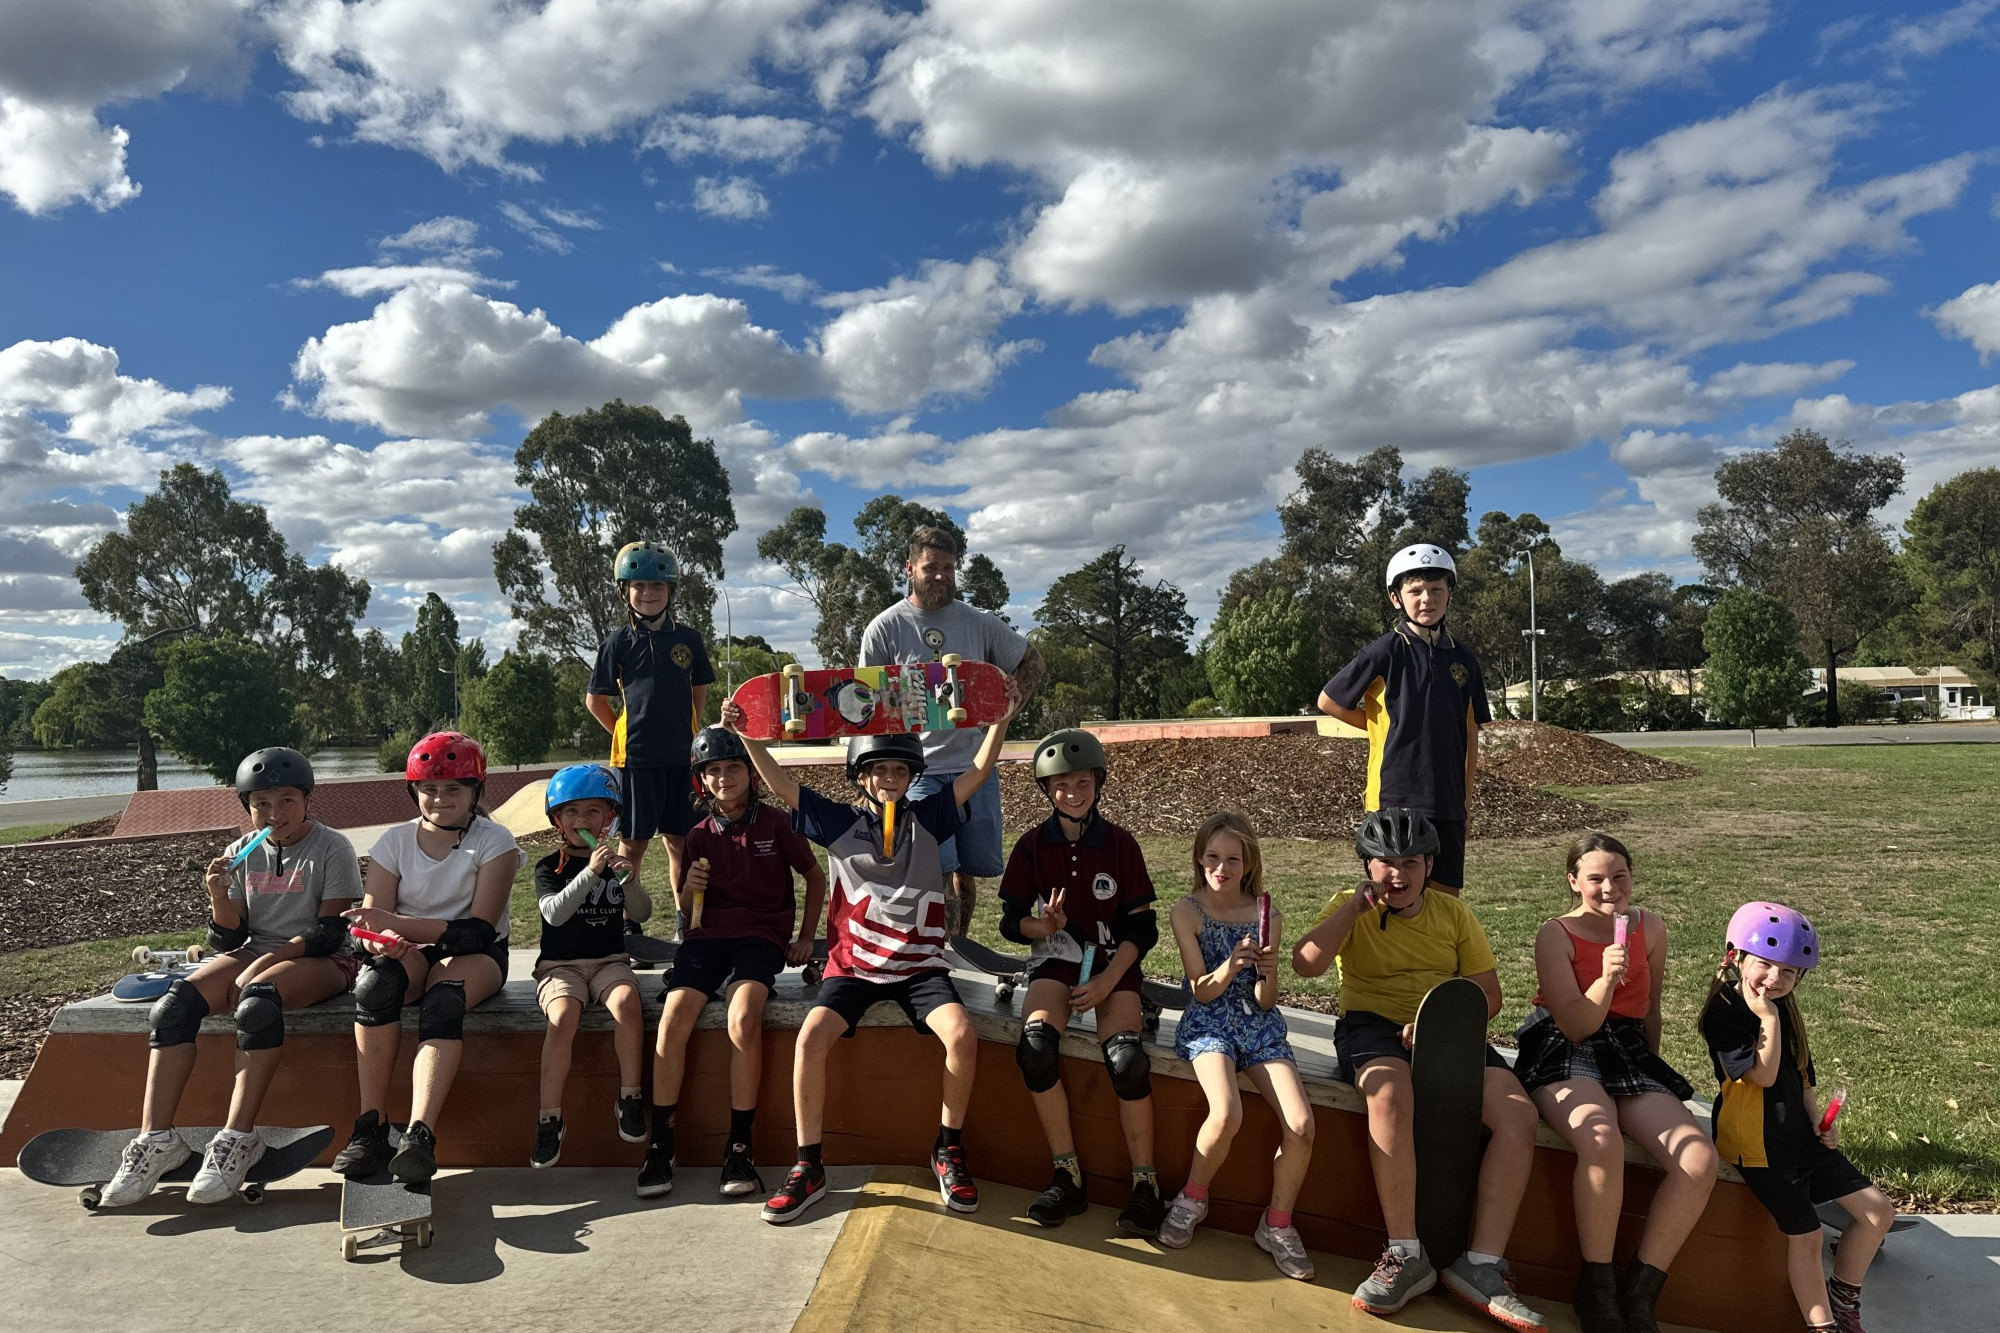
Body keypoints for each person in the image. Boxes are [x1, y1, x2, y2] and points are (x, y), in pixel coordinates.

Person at [717, 693, 1013, 1224]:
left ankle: (948, 1149)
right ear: (861, 776)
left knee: (963, 1036)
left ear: (912, 775)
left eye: (900, 770)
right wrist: (747, 736)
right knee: (809, 1039)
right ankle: (809, 1166)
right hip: (853, 968)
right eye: (878, 770)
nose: (890, 779)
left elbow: (977, 769)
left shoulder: (930, 817)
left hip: (921, 968)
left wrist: (1001, 719)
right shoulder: (836, 822)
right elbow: (782, 784)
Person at [1292, 807, 1544, 1330]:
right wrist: (1349, 914)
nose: (1397, 876)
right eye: (1383, 863)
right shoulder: (1348, 906)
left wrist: (1438, 1022)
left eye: (1409, 862)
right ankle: (1405, 1254)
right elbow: (1305, 964)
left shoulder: (1455, 916)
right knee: (1388, 1094)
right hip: (1370, 1026)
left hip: (1445, 1030)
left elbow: (1490, 996)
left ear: (1430, 865)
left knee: (1518, 1116)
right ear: (1366, 867)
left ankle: (1481, 1264)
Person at [101, 747, 361, 1207]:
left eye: (286, 800)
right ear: (247, 806)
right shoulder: (240, 851)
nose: (274, 813)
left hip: (325, 960)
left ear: (306, 800)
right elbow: (229, 939)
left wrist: (268, 961)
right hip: (256, 951)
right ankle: (157, 1140)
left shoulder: (330, 847)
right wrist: (218, 895)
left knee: (258, 1002)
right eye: (261, 803)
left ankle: (239, 1137)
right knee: (174, 1007)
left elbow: (330, 931)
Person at [1514, 833, 1716, 1333]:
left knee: (1698, 1157)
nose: (1609, 888)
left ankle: (1642, 1290)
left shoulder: (1650, 928)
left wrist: (1651, 1070)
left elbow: (1650, 1011)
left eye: (1619, 876)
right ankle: (1596, 1287)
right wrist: (1604, 978)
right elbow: (1576, 1024)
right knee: (1600, 1140)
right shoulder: (1555, 933)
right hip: (1568, 1042)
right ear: (1574, 882)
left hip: (1627, 1051)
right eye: (1596, 878)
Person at [640, 726, 827, 1200]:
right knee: (671, 1021)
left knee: (743, 1018)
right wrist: (690, 886)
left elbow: (815, 878)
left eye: (732, 767)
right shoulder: (698, 834)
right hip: (707, 939)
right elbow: (687, 912)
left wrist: (805, 938)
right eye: (713, 771)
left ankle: (739, 1147)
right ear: (701, 779)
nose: (723, 777)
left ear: (750, 772)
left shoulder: (777, 824)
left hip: (760, 937)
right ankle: (661, 1145)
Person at [332, 732, 524, 1183]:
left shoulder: (495, 841)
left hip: (477, 954)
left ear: (476, 792)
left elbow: (477, 932)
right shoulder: (395, 841)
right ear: (414, 791)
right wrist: (379, 941)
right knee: (376, 985)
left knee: (444, 1001)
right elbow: (369, 926)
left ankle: (420, 1135)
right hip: (414, 949)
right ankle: (370, 1127)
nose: (440, 798)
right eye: (429, 789)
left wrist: (396, 923)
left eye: (453, 788)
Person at [997, 728, 1165, 1235]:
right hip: (1059, 961)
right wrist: (1039, 927)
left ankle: (1145, 1185)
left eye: (1083, 781)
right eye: (1062, 784)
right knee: (1036, 1049)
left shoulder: (1119, 844)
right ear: (1047, 791)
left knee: (1128, 1061)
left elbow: (1143, 926)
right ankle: (1067, 1175)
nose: (1073, 792)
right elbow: (1010, 921)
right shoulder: (1032, 846)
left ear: (1099, 782)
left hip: (1114, 964)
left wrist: (1109, 982)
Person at [1701, 902, 1894, 1333]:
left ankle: (1843, 1300)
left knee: (1878, 1213)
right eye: (1765, 965)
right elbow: (1764, 1076)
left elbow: (1802, 1078)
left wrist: (1822, 1125)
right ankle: (1821, 1326)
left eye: (1788, 972)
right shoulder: (1726, 1011)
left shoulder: (1783, 1007)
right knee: (1807, 1237)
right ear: (1736, 958)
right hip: (1760, 1148)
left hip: (1798, 1138)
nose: (1774, 979)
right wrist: (1766, 1016)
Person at [859, 524, 1044, 934]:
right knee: (935, 870)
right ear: (910, 568)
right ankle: (943, 956)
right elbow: (866, 704)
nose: (940, 575)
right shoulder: (885, 628)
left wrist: (1009, 707)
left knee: (968, 870)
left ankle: (959, 949)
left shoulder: (979, 622)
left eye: (948, 567)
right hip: (917, 772)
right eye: (931, 567)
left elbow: (1033, 663)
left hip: (975, 766)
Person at [1157, 812, 1317, 1281]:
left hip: (1259, 1026)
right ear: (1199, 859)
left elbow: (1267, 1000)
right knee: (1226, 1113)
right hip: (1210, 1021)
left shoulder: (1269, 916)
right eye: (1212, 857)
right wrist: (1230, 966)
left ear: (1248, 863)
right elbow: (1200, 990)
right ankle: (1192, 1198)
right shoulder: (1188, 911)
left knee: (1303, 1124)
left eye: (1232, 859)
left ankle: (1278, 1224)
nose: (1221, 868)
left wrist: (1267, 971)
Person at [1316, 543, 1488, 895]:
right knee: (1390, 897)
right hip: (1393, 796)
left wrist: (1466, 803)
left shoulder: (1464, 659)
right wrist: (1379, 725)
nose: (1427, 599)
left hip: (1447, 801)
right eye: (1415, 591)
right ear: (1396, 598)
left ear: (1449, 595)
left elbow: (1469, 733)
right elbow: (1328, 700)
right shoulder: (1384, 651)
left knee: (1444, 901)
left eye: (1436, 589)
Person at [530, 763, 651, 1168]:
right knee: (563, 1016)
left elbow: (644, 913)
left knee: (627, 1002)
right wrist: (590, 873)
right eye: (572, 812)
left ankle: (629, 1098)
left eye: (593, 811)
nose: (581, 820)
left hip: (608, 962)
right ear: (557, 820)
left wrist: (629, 881)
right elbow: (554, 914)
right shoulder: (550, 867)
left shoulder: (615, 864)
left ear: (608, 818)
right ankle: (550, 1118)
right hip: (560, 967)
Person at [586, 539, 714, 920]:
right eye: (638, 586)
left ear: (670, 591)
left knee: (681, 842)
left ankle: (684, 921)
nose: (647, 593)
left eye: (657, 586)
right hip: (635, 761)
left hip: (681, 757)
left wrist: (683, 731)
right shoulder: (617, 642)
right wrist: (622, 732)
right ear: (624, 591)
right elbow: (596, 701)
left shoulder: (688, 639)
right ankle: (628, 925)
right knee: (633, 845)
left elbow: (698, 694)